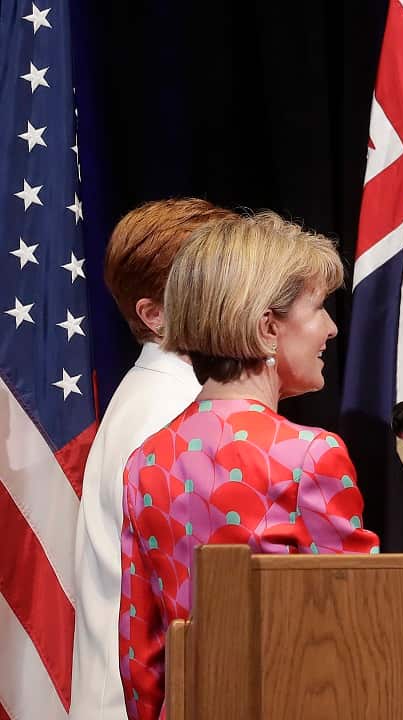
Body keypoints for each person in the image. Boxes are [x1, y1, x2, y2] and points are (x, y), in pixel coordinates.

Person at [118, 212, 403, 720]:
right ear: (266, 329)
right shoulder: (308, 456)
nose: (331, 328)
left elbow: (140, 655)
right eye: (320, 308)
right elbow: (373, 630)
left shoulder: (146, 461)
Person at [72, 199, 237, 720]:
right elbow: (199, 604)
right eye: (211, 280)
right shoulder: (174, 413)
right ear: (154, 314)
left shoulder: (159, 393)